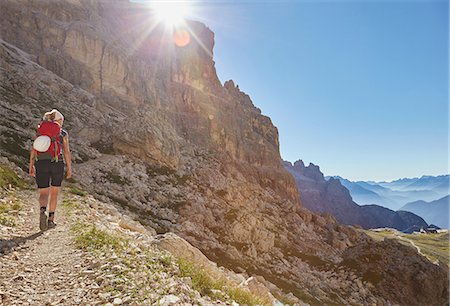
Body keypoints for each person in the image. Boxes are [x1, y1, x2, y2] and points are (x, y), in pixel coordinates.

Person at [29, 109, 72, 230]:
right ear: (58, 120)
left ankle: (43, 210)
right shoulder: (62, 133)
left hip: (41, 163)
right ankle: (51, 220)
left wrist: (31, 165)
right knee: (54, 192)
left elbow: (33, 149)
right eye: (61, 121)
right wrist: (69, 168)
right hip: (57, 163)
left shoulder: (40, 131)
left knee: (43, 192)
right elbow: (66, 152)